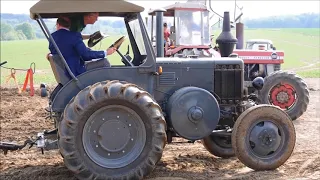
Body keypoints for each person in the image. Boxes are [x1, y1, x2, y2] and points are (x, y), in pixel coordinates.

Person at [48, 16, 116, 77]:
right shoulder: (74, 36)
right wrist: (106, 52)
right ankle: (107, 86)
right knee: (104, 62)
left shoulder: (52, 37)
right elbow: (85, 55)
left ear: (58, 24)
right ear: (69, 25)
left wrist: (90, 39)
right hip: (76, 71)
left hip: (64, 71)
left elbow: (66, 49)